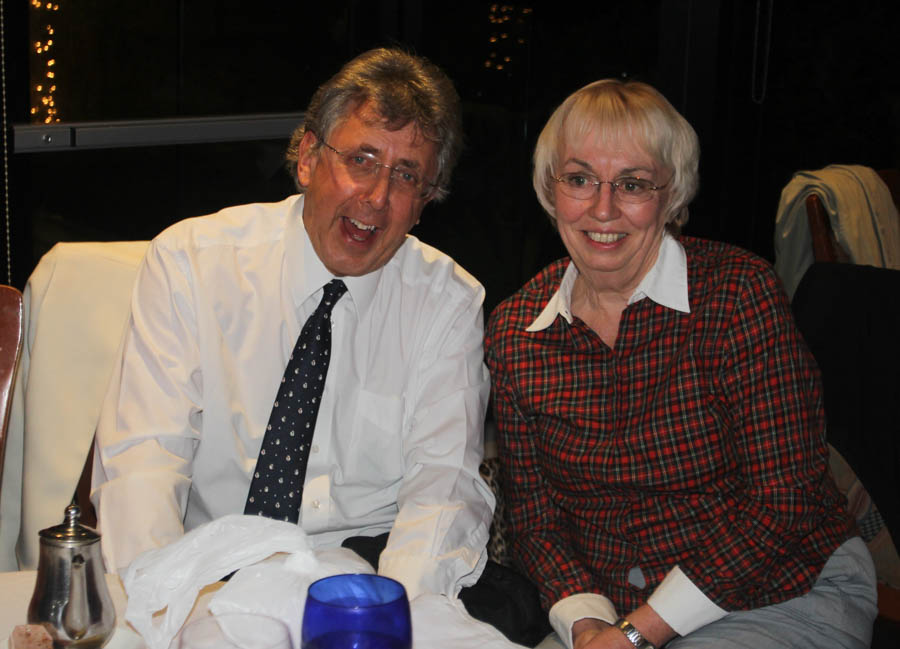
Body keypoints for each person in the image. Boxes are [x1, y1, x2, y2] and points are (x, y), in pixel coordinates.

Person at [484, 79, 877, 649]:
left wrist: (636, 633)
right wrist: (588, 626)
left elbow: (783, 498)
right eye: (579, 179)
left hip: (784, 591)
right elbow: (536, 521)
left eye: (633, 184)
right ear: (550, 190)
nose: (602, 208)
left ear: (672, 196)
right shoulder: (517, 333)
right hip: (616, 613)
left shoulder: (738, 295)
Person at [91, 47, 495, 601]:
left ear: (424, 203)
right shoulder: (190, 263)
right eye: (361, 160)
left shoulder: (448, 304)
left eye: (406, 176)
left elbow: (442, 492)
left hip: (366, 575)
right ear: (307, 158)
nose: (377, 197)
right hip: (208, 574)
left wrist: (387, 614)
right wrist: (167, 607)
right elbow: (143, 463)